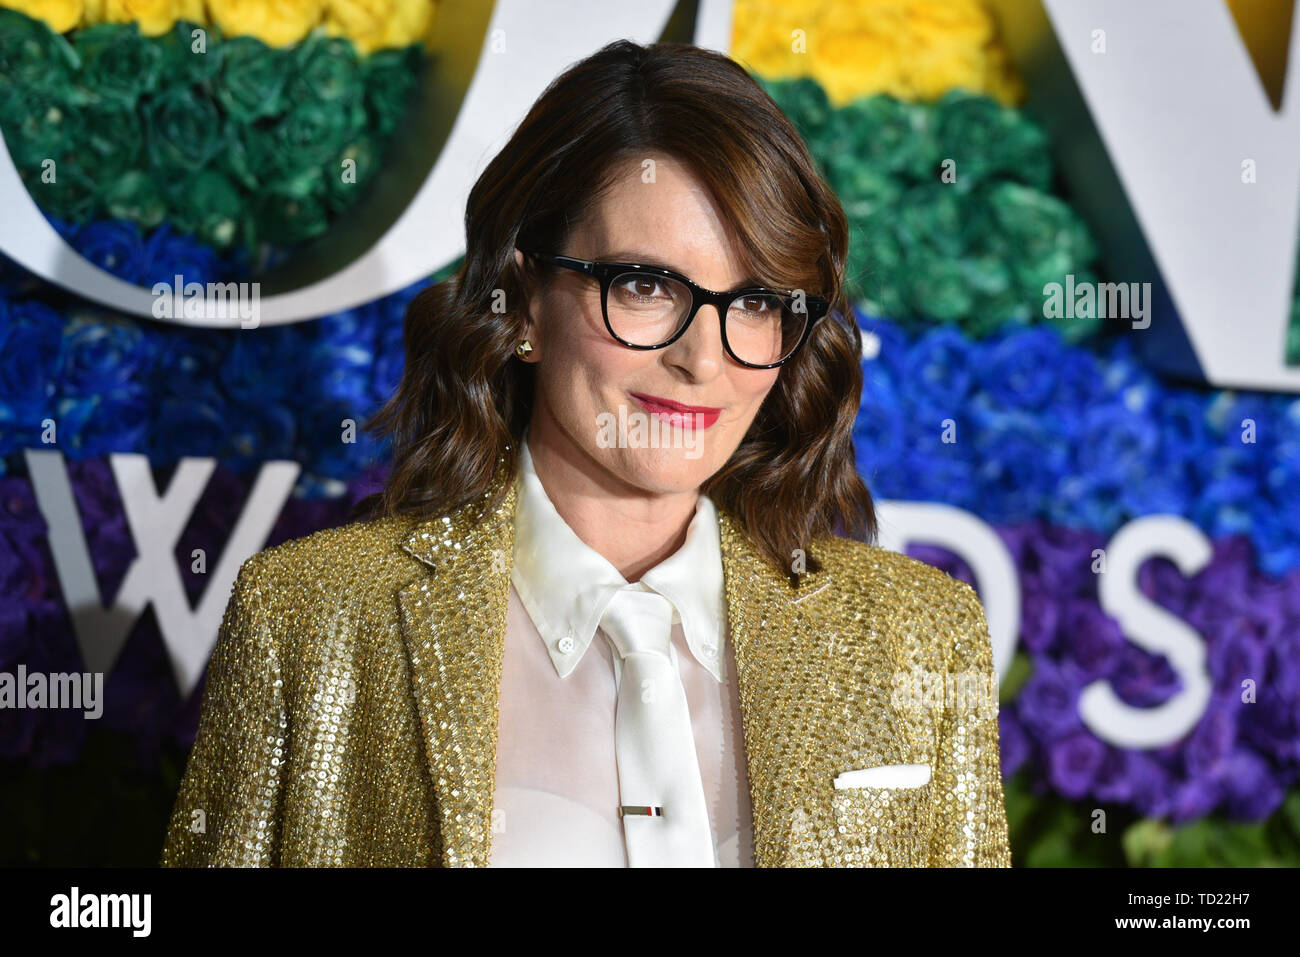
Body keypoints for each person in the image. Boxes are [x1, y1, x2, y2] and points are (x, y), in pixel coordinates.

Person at [160, 38, 1011, 868]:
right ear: (524, 301)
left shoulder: (921, 636)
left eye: (754, 300)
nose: (703, 361)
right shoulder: (312, 622)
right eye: (645, 286)